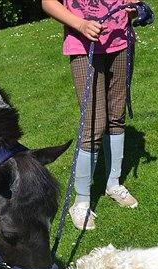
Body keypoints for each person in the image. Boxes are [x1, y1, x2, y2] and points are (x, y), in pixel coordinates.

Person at [42, 0, 142, 230]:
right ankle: (81, 202)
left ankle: (113, 184)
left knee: (117, 117)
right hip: (84, 46)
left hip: (121, 42)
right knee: (94, 124)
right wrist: (81, 24)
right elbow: (47, 3)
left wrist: (136, 9)